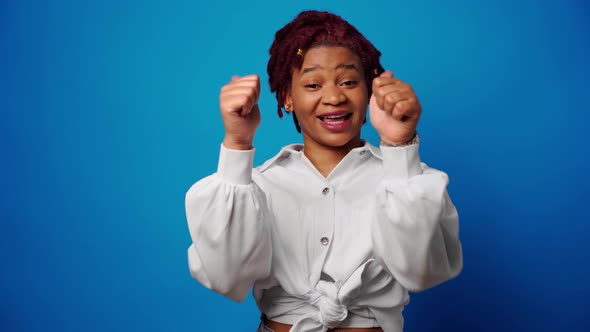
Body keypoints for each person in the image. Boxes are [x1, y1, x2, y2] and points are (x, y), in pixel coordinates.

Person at [185, 10, 462, 332]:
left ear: (370, 92)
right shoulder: (253, 185)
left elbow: (423, 272)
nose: (333, 97)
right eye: (313, 84)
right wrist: (237, 142)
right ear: (288, 97)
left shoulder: (408, 179)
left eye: (348, 82)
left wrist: (399, 147)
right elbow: (226, 278)